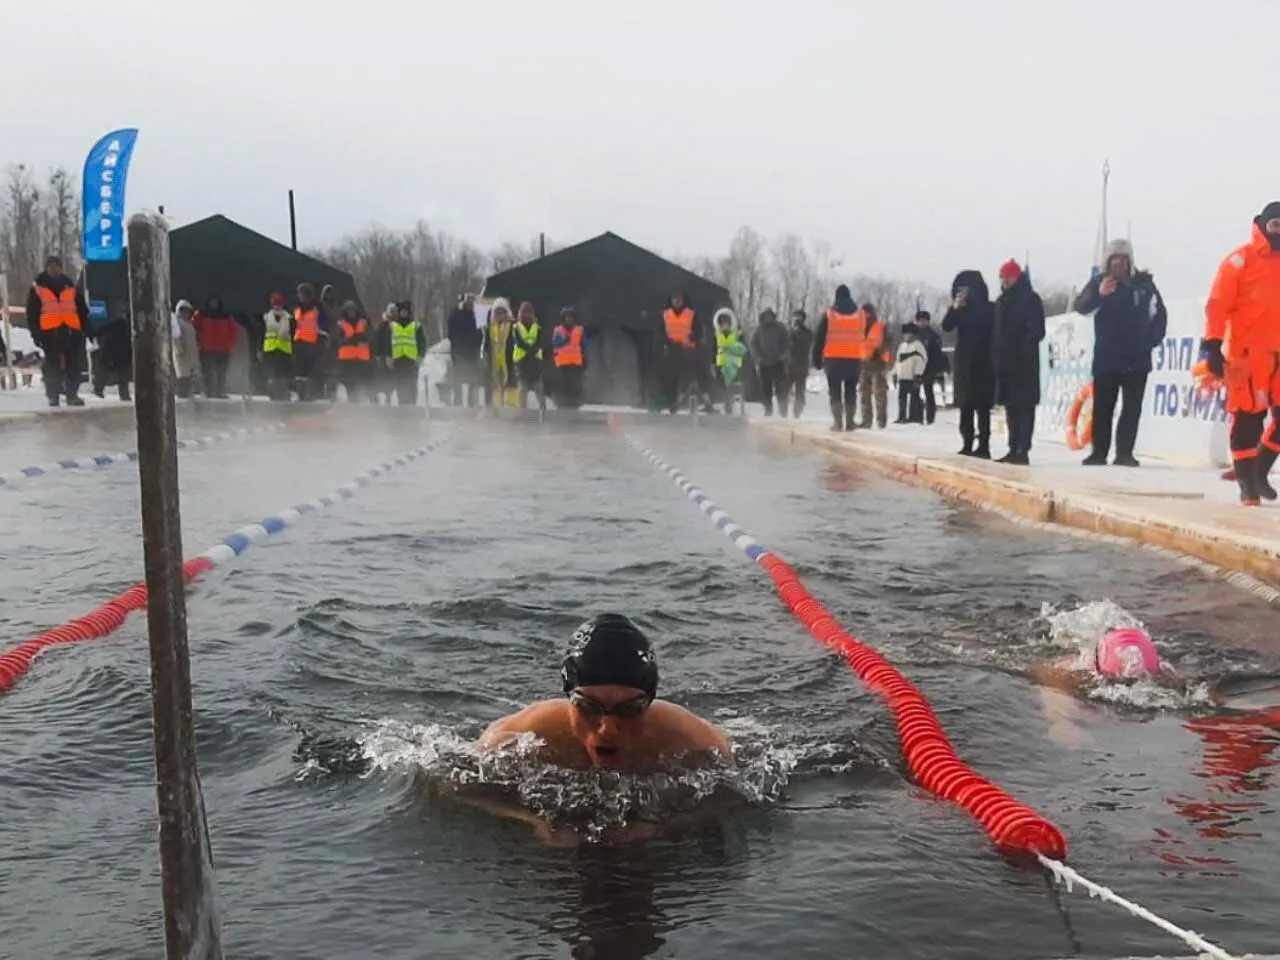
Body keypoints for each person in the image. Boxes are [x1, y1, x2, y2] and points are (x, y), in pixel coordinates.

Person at [478, 614, 730, 771]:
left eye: (628, 709)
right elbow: (453, 786)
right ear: (569, 699)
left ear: (649, 703)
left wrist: (664, 826)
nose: (607, 728)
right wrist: (535, 820)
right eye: (589, 707)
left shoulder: (690, 740)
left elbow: (730, 796)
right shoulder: (528, 733)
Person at [1200, 202, 1280, 505]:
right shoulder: (1240, 261)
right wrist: (1212, 344)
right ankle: (1247, 483)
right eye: (1274, 225)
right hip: (1249, 356)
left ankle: (1261, 469)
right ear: (1262, 225)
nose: (1278, 232)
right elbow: (1218, 305)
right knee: (1248, 419)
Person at [1072, 239, 1168, 467]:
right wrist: (1098, 294)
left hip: (1137, 358)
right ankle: (1099, 452)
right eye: (1113, 259)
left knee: (1131, 409)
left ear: (1129, 261)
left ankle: (1125, 452)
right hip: (1107, 357)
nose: (1118, 263)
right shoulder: (1099, 282)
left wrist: (1150, 341)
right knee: (1103, 407)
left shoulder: (1144, 285)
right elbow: (1081, 307)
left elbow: (1160, 315)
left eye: (1122, 259)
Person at [991, 260, 1045, 465]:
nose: (1005, 281)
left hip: (1024, 363)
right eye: (1002, 277)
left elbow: (1037, 330)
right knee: (1011, 407)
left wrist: (1024, 350)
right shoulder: (1001, 301)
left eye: (1008, 277)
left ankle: (1023, 448)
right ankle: (1013, 447)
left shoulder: (1030, 299)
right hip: (1005, 362)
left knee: (1024, 407)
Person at [942, 271, 997, 458]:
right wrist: (954, 308)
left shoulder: (990, 309)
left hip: (984, 362)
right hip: (965, 363)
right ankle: (967, 442)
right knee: (966, 407)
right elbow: (946, 326)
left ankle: (983, 445)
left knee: (982, 407)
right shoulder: (960, 310)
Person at [26, 254, 89, 407]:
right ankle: (53, 395)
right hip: (49, 332)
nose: (54, 269)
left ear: (61, 268)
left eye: (57, 266)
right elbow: (32, 313)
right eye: (51, 266)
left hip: (71, 330)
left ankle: (72, 395)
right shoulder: (38, 287)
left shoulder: (70, 286)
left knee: (73, 364)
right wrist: (36, 334)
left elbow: (81, 309)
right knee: (52, 365)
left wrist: (86, 328)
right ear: (46, 268)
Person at [812, 284, 869, 432]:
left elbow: (819, 338)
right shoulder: (860, 315)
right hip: (854, 358)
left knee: (835, 390)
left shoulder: (830, 314)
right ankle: (850, 422)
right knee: (851, 390)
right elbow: (867, 336)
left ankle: (838, 423)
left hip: (833, 359)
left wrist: (816, 359)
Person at [191, 295, 239, 398]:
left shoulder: (226, 317)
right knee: (208, 372)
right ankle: (209, 391)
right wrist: (200, 342)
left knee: (220, 372)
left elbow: (234, 332)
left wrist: (228, 343)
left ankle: (219, 391)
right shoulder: (201, 315)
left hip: (219, 349)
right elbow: (194, 328)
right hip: (208, 349)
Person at [662, 292, 701, 413]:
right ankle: (672, 401)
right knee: (671, 377)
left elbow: (698, 332)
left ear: (683, 300)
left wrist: (691, 339)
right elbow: (660, 332)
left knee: (686, 376)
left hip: (687, 350)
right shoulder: (665, 314)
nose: (677, 301)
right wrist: (665, 344)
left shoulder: (691, 314)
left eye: (679, 299)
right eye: (674, 299)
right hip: (671, 350)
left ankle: (681, 400)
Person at [382, 300, 425, 406]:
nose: (404, 314)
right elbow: (388, 343)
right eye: (401, 312)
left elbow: (421, 342)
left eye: (406, 312)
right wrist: (388, 356)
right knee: (400, 384)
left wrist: (420, 356)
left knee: (412, 384)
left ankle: (412, 405)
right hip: (398, 359)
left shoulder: (416, 326)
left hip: (412, 360)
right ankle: (402, 406)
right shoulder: (393, 326)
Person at [292, 283, 330, 401]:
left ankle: (316, 394)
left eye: (302, 294)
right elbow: (294, 325)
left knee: (315, 370)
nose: (300, 297)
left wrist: (323, 338)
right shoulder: (297, 308)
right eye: (299, 294)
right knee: (300, 371)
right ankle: (301, 394)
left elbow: (324, 325)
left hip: (314, 344)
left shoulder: (317, 307)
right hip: (299, 343)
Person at [749, 307, 790, 416]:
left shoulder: (780, 328)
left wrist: (784, 354)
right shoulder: (760, 329)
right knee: (766, 389)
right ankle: (768, 409)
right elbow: (753, 344)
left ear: (773, 316)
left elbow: (787, 342)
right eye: (766, 316)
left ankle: (783, 410)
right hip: (764, 364)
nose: (768, 318)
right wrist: (757, 357)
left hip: (778, 363)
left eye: (770, 316)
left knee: (781, 389)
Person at [447, 293, 483, 407]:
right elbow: (451, 332)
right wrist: (457, 345)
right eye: (469, 301)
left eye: (473, 302)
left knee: (473, 379)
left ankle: (472, 403)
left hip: (473, 353)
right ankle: (457, 403)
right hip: (459, 352)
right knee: (458, 378)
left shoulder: (477, 315)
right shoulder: (456, 313)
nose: (471, 304)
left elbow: (481, 333)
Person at [857, 303, 890, 429]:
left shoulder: (881, 326)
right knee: (864, 394)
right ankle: (866, 421)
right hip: (863, 363)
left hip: (878, 363)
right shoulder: (858, 328)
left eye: (867, 313)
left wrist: (879, 352)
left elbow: (888, 342)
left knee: (879, 393)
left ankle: (881, 421)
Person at [484, 297, 519, 408]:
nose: (500, 315)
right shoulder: (489, 328)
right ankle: (495, 407)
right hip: (494, 361)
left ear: (506, 313)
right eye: (497, 312)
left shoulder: (513, 327)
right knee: (494, 384)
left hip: (508, 360)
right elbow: (487, 345)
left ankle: (511, 407)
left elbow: (515, 343)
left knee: (510, 384)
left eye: (502, 312)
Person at [335, 301, 373, 402]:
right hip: (347, 359)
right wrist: (348, 340)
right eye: (349, 311)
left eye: (353, 311)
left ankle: (361, 403)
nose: (351, 313)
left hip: (361, 359)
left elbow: (370, 337)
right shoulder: (341, 324)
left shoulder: (363, 322)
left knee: (361, 383)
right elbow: (336, 340)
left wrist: (361, 339)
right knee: (349, 384)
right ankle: (352, 402)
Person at [512, 300, 546, 412]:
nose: (526, 315)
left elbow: (539, 342)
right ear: (520, 313)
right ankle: (522, 413)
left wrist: (532, 350)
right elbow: (518, 342)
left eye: (529, 312)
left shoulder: (537, 328)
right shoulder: (516, 327)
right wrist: (529, 349)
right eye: (524, 312)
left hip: (535, 364)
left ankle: (543, 412)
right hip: (522, 363)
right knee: (522, 391)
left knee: (539, 391)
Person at [914, 310, 947, 424]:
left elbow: (937, 353)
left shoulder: (933, 335)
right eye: (919, 321)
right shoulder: (914, 335)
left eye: (924, 320)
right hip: (916, 368)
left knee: (928, 392)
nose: (921, 323)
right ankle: (916, 417)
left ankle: (930, 417)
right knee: (915, 392)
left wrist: (936, 367)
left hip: (929, 368)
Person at [260, 293, 294, 401]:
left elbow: (293, 334)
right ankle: (273, 395)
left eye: (279, 303)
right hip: (270, 350)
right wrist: (259, 348)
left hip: (284, 350)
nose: (277, 306)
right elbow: (261, 333)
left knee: (282, 376)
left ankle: (283, 394)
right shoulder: (267, 317)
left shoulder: (289, 317)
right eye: (275, 303)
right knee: (272, 375)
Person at [551, 306, 586, 409]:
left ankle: (575, 405)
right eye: (566, 317)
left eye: (571, 317)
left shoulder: (580, 330)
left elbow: (584, 346)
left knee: (575, 386)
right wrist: (565, 339)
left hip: (575, 365)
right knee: (562, 386)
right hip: (562, 365)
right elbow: (555, 344)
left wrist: (585, 361)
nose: (569, 319)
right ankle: (562, 405)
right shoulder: (558, 330)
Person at [713, 307, 747, 414]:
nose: (724, 325)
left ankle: (730, 407)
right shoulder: (716, 336)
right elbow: (712, 350)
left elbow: (743, 349)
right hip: (721, 365)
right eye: (721, 323)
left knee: (731, 387)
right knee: (723, 388)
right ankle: (726, 406)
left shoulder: (738, 334)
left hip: (735, 366)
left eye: (726, 323)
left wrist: (729, 348)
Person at [893, 323, 928, 424]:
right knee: (901, 397)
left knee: (914, 397)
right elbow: (898, 361)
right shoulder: (902, 346)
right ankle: (901, 416)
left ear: (914, 334)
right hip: (903, 376)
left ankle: (915, 417)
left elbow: (921, 361)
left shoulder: (918, 346)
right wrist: (895, 373)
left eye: (908, 334)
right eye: (905, 334)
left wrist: (918, 374)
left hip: (913, 377)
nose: (906, 336)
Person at [784, 308, 813, 418]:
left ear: (803, 319)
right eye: (795, 316)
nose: (796, 319)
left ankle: (797, 413)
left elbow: (806, 345)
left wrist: (795, 334)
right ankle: (784, 412)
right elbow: (784, 346)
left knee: (800, 392)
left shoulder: (807, 333)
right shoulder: (788, 331)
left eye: (799, 317)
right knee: (785, 391)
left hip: (801, 365)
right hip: (788, 366)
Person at [171, 300, 200, 398]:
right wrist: (179, 349)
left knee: (189, 377)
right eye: (185, 311)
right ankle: (182, 395)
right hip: (182, 355)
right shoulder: (177, 322)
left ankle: (187, 395)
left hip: (190, 355)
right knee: (182, 377)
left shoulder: (188, 323)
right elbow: (175, 338)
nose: (187, 313)